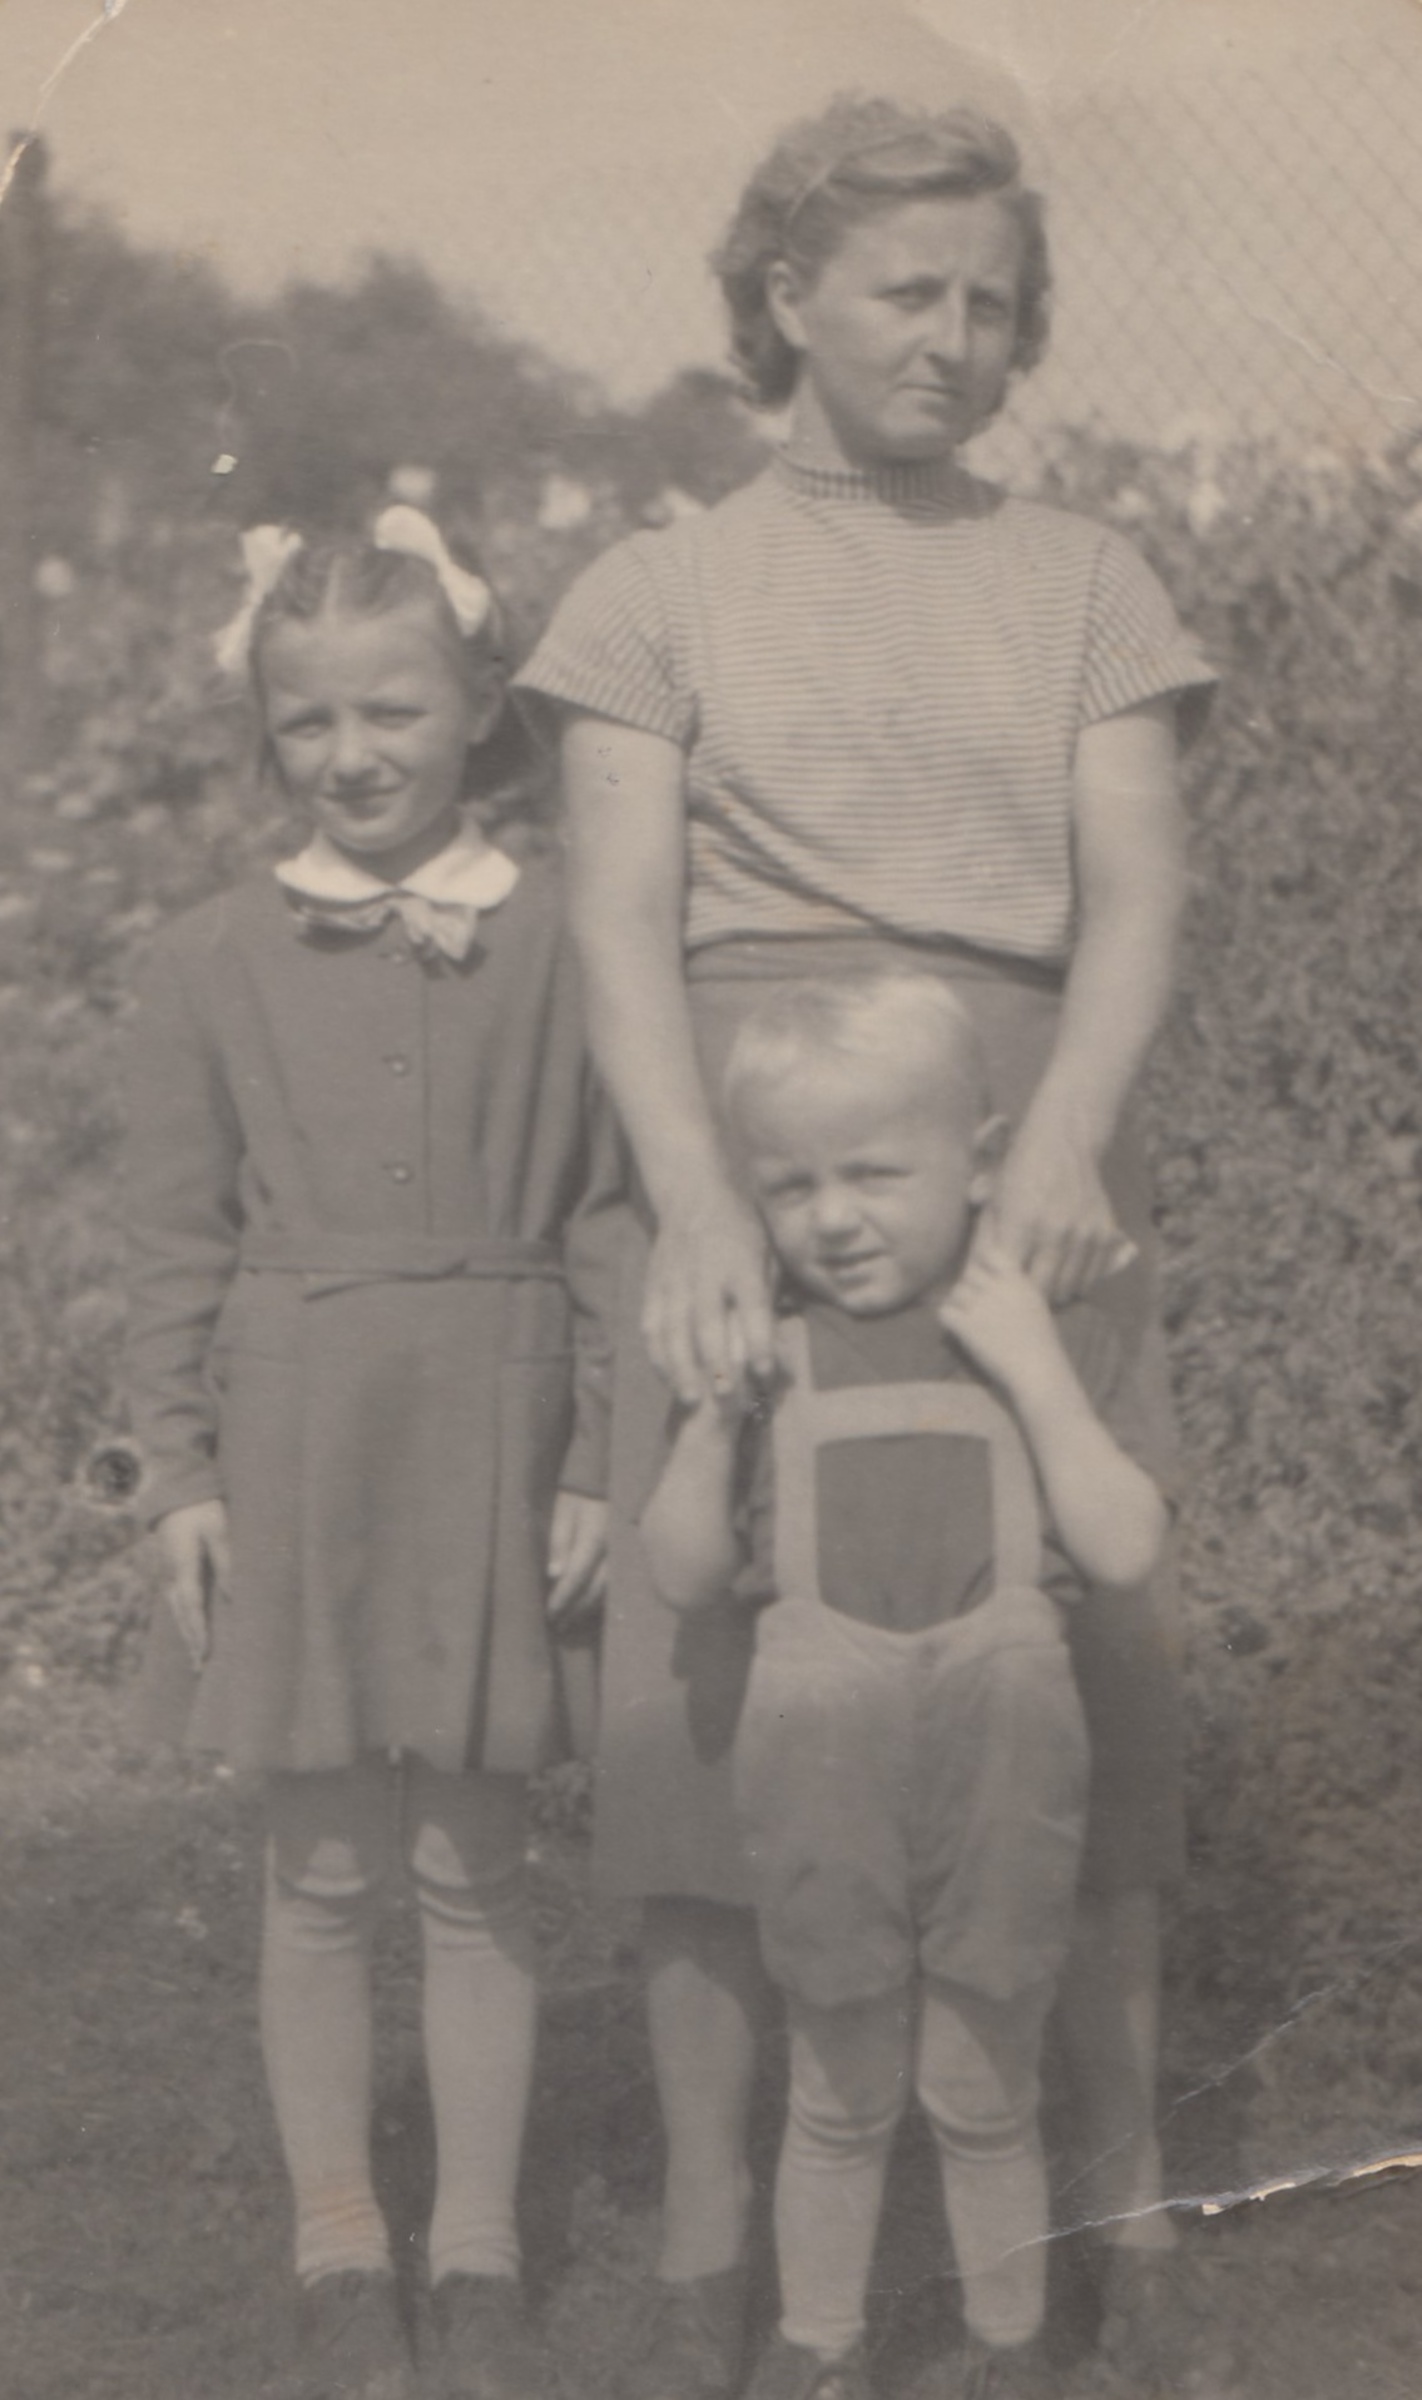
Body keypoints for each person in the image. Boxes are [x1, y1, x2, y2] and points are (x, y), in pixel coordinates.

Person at [516, 95, 1218, 2399]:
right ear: (786, 296)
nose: (954, 335)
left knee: (1078, 1663)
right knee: (713, 1680)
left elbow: (1135, 894)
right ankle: (719, 2243)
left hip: (1021, 1144)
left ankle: (1122, 2209)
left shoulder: (1090, 580)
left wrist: (1065, 1145)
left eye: (995, 302)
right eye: (910, 290)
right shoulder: (657, 592)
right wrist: (702, 1200)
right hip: (749, 1142)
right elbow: (620, 924)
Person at [124, 509, 623, 2400]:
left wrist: (602, 1454)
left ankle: (478, 2246)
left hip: (500, 1418)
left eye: (392, 710)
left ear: (480, 702)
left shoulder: (569, 944)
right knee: (320, 1859)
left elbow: (615, 1216)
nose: (352, 754)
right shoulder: (207, 960)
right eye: (308, 720)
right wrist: (181, 1473)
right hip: (298, 1431)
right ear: (267, 733)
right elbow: (170, 1241)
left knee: (476, 1857)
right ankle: (341, 2242)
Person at [642, 975, 1170, 2400]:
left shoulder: (1026, 1330)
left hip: (1001, 1769)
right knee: (840, 2082)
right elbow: (684, 1574)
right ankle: (820, 2348)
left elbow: (1125, 1544)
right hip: (826, 1774)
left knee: (984, 2086)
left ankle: (1007, 2352)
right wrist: (710, 1421)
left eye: (873, 1174)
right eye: (790, 1185)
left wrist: (1034, 1371)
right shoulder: (767, 1356)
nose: (832, 1217)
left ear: (980, 1162)